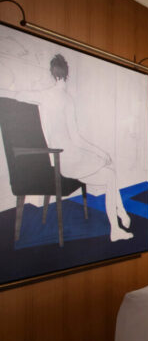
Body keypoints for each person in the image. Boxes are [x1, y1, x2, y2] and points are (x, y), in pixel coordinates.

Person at [2, 53, 132, 242]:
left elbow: (17, 94)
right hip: (71, 160)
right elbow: (77, 139)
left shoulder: (44, 95)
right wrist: (101, 152)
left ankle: (120, 215)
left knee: (110, 171)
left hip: (68, 158)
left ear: (52, 74)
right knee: (110, 174)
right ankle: (116, 225)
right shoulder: (68, 99)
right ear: (66, 74)